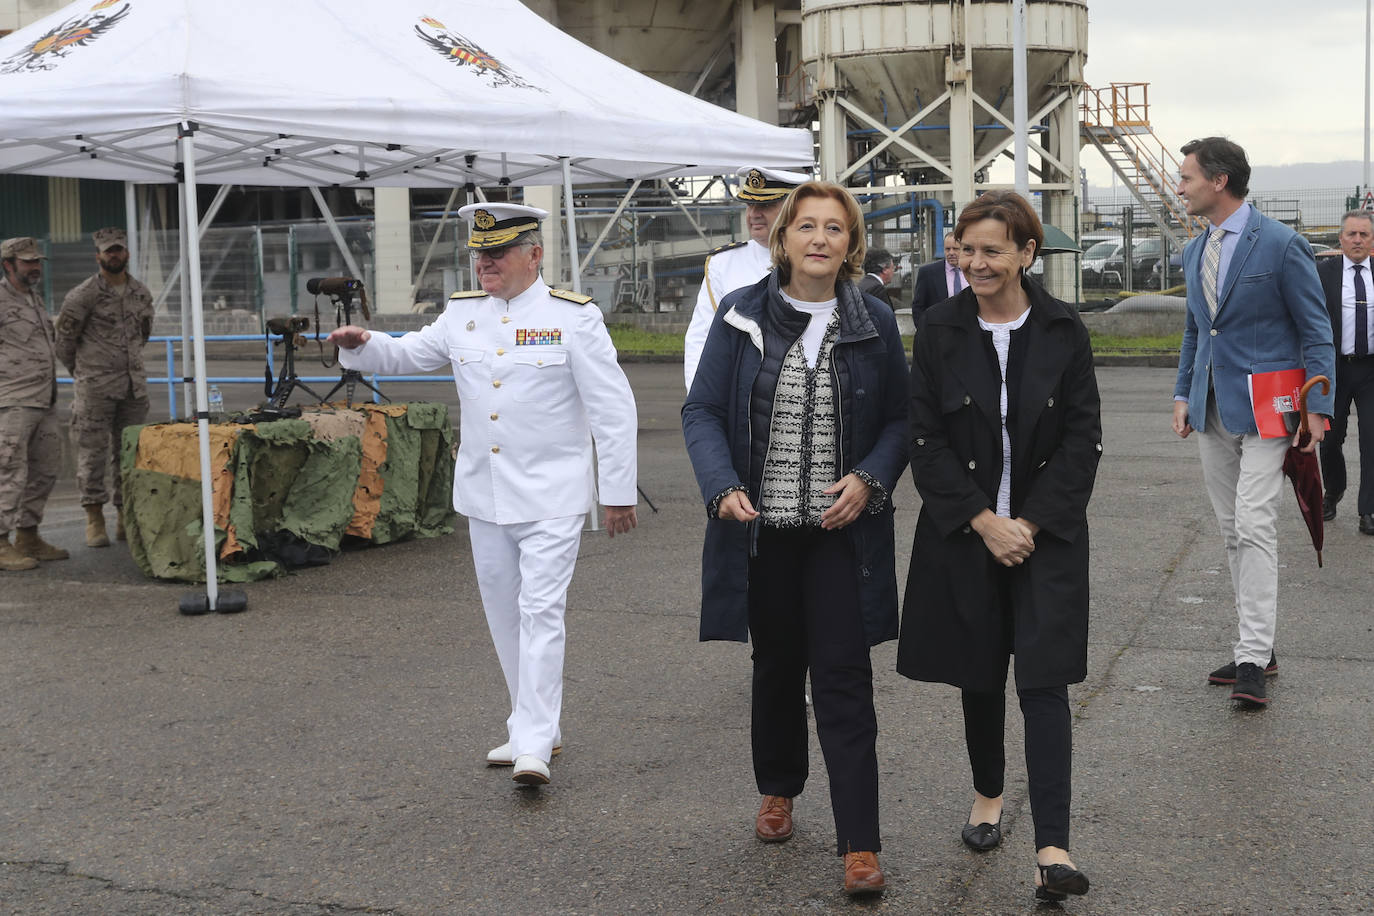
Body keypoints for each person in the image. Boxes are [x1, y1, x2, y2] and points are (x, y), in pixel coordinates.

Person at [328, 203, 639, 787]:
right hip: (485, 494)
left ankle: (532, 745)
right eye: (478, 253)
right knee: (503, 616)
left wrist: (617, 490)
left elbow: (613, 406)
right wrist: (362, 343)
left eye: (497, 253)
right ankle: (534, 723)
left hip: (552, 495)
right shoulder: (463, 314)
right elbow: (408, 353)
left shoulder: (574, 317)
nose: (484, 264)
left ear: (534, 254)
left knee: (540, 611)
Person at [682, 181, 908, 897]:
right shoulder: (740, 314)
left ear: (851, 244)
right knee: (778, 665)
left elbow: (903, 419)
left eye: (833, 228)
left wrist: (871, 478)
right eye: (805, 226)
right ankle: (778, 787)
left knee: (843, 677)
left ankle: (860, 845)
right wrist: (721, 486)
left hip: (841, 537)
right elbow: (703, 410)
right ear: (781, 239)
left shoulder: (872, 318)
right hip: (762, 535)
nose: (818, 238)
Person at [897, 191, 1102, 904]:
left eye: (992, 250)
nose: (976, 262)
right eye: (967, 249)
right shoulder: (939, 330)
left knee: (1043, 683)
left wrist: (1030, 525)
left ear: (1026, 254)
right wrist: (986, 521)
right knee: (979, 675)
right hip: (967, 535)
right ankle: (988, 793)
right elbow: (926, 442)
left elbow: (1082, 442)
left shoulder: (1063, 330)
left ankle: (1052, 846)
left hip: (1045, 538)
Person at [1171, 137, 1335, 707]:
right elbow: (1197, 329)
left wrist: (1320, 405)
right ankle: (1257, 648)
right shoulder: (1195, 251)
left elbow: (1315, 328)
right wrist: (1181, 392)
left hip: (1273, 408)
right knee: (1231, 530)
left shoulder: (1282, 244)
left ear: (1219, 181)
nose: (1180, 185)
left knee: (1255, 522)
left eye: (1187, 176)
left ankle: (1250, 657)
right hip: (1211, 405)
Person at [56, 227, 155, 548]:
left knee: (130, 455)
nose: (115, 255)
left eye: (120, 250)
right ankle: (94, 517)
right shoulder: (83, 295)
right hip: (95, 389)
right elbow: (64, 343)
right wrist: (85, 372)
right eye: (109, 251)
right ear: (97, 255)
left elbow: (144, 334)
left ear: (127, 254)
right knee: (92, 454)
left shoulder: (141, 293)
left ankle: (126, 516)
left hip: (133, 389)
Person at [682, 166, 809, 389]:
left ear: (794, 209)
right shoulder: (724, 263)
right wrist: (700, 404)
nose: (753, 214)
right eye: (750, 205)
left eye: (766, 205)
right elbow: (702, 339)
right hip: (743, 393)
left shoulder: (818, 258)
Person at [0, 237, 68, 572]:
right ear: (8, 264)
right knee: (9, 471)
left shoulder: (34, 299)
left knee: (45, 469)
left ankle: (27, 535)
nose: (35, 267)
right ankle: (0, 542)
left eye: (37, 261)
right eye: (27, 262)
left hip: (44, 399)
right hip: (12, 401)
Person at [1318, 210, 1374, 534]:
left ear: (1371, 240)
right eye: (1351, 234)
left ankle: (1368, 510)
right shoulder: (1322, 273)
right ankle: (1333, 491)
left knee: (1371, 439)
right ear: (1341, 239)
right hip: (1334, 369)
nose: (1357, 240)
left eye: (1363, 235)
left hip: (1370, 370)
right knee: (1329, 439)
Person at [910, 231, 963, 321]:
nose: (951, 253)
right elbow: (918, 307)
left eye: (955, 248)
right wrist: (923, 332)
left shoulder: (973, 270)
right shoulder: (928, 273)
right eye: (947, 249)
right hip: (939, 331)